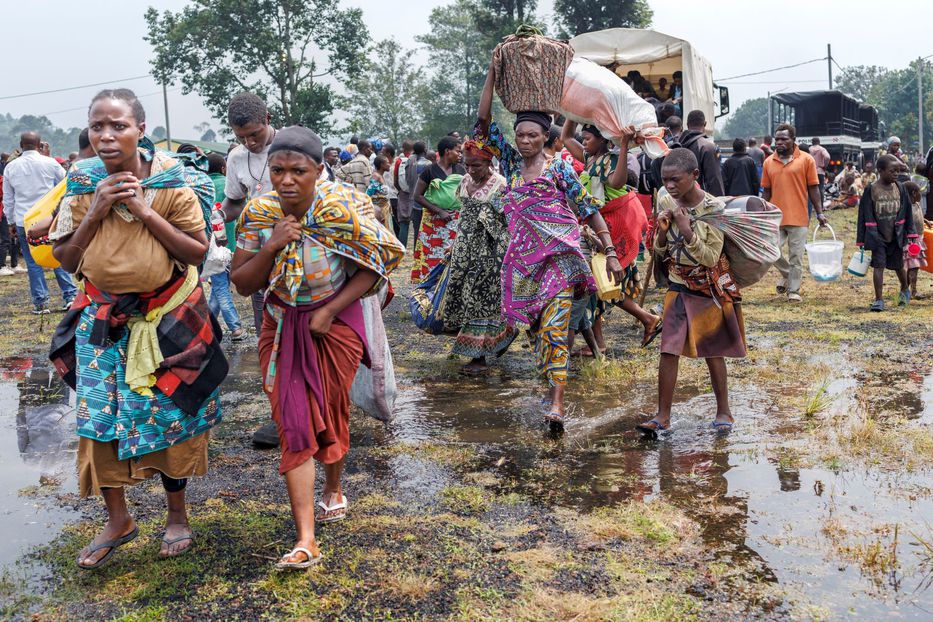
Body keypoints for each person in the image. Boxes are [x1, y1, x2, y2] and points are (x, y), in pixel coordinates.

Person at [49, 89, 225, 568]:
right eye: (97, 126)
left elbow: (196, 252)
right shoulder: (82, 184)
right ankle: (118, 519)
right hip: (103, 322)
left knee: (169, 416)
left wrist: (144, 210)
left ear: (140, 130)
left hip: (164, 316)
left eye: (118, 126)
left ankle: (177, 516)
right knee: (98, 420)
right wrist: (100, 208)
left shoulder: (171, 182)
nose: (106, 136)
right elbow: (64, 257)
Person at [230, 126, 403, 570]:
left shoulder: (343, 206)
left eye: (298, 171)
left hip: (335, 322)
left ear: (318, 170)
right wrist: (271, 245)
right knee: (294, 417)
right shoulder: (260, 212)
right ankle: (306, 537)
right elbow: (242, 280)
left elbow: (378, 264)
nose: (287, 181)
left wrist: (331, 310)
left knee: (330, 408)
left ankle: (334, 486)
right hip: (282, 322)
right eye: (278, 171)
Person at [476, 61, 624, 426]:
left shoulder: (559, 168)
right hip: (521, 264)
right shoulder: (509, 164)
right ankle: (549, 382)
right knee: (537, 330)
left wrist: (610, 252)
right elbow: (481, 123)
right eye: (520, 135)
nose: (525, 141)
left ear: (546, 138)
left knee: (558, 328)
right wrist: (493, 74)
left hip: (559, 259)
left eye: (532, 136)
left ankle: (557, 403)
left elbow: (588, 208)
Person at [637, 148, 745, 438]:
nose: (670, 186)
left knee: (714, 351)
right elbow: (660, 251)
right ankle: (662, 416)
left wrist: (687, 231)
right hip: (677, 283)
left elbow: (710, 257)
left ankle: (724, 411)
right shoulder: (663, 197)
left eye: (676, 180)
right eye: (665, 180)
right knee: (668, 350)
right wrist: (661, 232)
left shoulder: (713, 210)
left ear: (695, 176)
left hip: (707, 287)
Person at [561, 120, 662, 352]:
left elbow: (617, 181)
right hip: (601, 223)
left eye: (588, 138)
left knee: (600, 280)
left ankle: (643, 321)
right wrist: (572, 112)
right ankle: (609, 338)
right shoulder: (589, 158)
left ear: (603, 139)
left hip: (616, 224)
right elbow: (566, 138)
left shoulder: (613, 159)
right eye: (583, 138)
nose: (583, 142)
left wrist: (624, 144)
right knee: (598, 282)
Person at [221, 92, 279, 447]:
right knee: (268, 338)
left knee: (310, 334)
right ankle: (280, 415)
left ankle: (319, 411)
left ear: (268, 119)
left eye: (254, 134)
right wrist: (215, 214)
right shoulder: (236, 157)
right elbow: (235, 200)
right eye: (241, 136)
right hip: (260, 259)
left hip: (301, 255)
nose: (249, 141)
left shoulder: (292, 144)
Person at [440, 139, 518, 373]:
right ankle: (504, 335)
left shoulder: (500, 185)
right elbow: (463, 214)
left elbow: (508, 221)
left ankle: (478, 357)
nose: (471, 170)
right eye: (467, 165)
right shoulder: (464, 181)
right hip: (465, 248)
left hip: (490, 250)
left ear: (489, 162)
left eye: (476, 166)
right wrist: (455, 244)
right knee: (463, 294)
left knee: (481, 299)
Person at [1, 131, 77, 313]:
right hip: (48, 218)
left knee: (32, 262)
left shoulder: (11, 167)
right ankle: (70, 296)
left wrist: (11, 222)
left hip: (23, 220)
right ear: (39, 145)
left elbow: (9, 199)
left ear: (21, 145)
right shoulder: (50, 163)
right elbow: (67, 184)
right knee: (56, 255)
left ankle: (41, 303)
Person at [762, 124, 827, 303]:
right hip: (775, 217)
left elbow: (814, 188)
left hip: (799, 217)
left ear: (793, 140)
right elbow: (766, 191)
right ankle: (788, 275)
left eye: (784, 139)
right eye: (777, 139)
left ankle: (794, 291)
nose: (780, 142)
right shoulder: (768, 162)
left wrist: (820, 213)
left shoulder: (806, 160)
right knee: (769, 250)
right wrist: (761, 213)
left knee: (795, 257)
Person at [857, 154, 916, 311]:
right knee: (879, 266)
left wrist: (911, 234)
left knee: (898, 266)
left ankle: (904, 288)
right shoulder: (871, 189)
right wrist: (861, 240)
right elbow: (863, 214)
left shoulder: (900, 188)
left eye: (898, 171)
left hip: (896, 235)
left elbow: (907, 212)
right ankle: (878, 299)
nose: (896, 174)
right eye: (892, 171)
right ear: (881, 171)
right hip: (877, 236)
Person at [410, 137, 465, 283]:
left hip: (454, 221)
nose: (460, 155)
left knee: (452, 256)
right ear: (447, 151)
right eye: (458, 151)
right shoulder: (430, 170)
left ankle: (447, 289)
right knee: (431, 257)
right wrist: (438, 210)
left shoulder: (460, 170)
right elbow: (417, 196)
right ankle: (429, 290)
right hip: (434, 223)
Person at [205, 152, 244, 340]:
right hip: (236, 245)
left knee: (220, 285)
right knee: (220, 287)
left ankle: (218, 325)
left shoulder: (204, 187)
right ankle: (233, 326)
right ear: (223, 168)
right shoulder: (231, 187)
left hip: (214, 248)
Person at [679, 111, 724, 196]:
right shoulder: (708, 147)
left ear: (687, 125)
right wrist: (719, 203)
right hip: (700, 201)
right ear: (705, 124)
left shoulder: (676, 145)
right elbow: (714, 180)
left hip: (680, 202)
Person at [403, 141, 432, 250]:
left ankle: (416, 254)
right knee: (425, 229)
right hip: (424, 201)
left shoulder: (409, 162)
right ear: (425, 150)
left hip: (413, 200)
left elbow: (406, 180)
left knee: (416, 231)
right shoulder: (428, 164)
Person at [903, 181, 928, 299]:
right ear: (913, 193)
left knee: (913, 266)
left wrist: (925, 221)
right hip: (912, 242)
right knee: (913, 266)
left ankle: (907, 289)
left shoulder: (916, 204)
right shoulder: (907, 207)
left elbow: (920, 216)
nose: (920, 195)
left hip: (918, 239)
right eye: (919, 193)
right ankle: (912, 291)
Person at [366, 155, 393, 228]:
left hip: (384, 210)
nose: (389, 164)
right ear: (382, 165)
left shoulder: (381, 176)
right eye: (387, 163)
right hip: (379, 211)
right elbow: (369, 194)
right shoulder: (376, 176)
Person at [808, 137, 831, 208]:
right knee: (820, 188)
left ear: (812, 142)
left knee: (810, 189)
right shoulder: (822, 149)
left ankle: (811, 206)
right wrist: (825, 165)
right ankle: (820, 206)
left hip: (811, 172)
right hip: (820, 171)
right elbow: (827, 157)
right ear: (819, 142)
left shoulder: (809, 149)